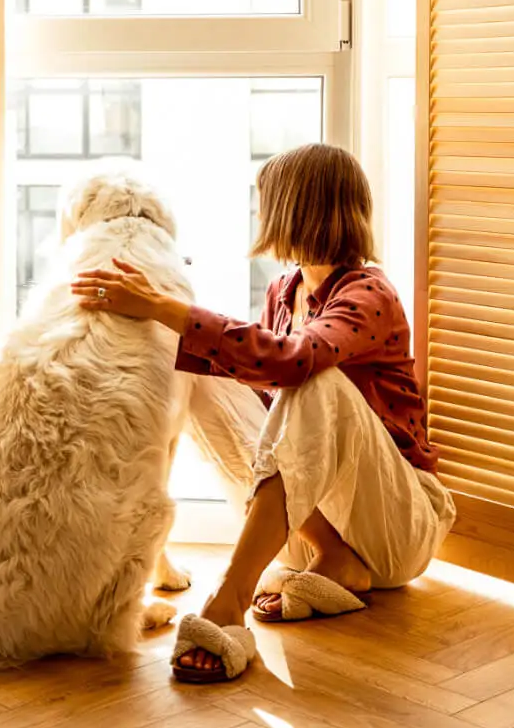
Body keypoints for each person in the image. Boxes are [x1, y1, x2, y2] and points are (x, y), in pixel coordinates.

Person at [71, 143, 456, 683]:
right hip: (315, 525)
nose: (260, 215)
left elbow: (296, 363)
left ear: (298, 210)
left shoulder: (371, 293)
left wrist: (164, 306)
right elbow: (262, 387)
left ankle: (230, 599)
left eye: (266, 203)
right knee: (208, 374)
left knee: (312, 376)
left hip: (397, 525)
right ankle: (331, 558)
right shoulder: (285, 290)